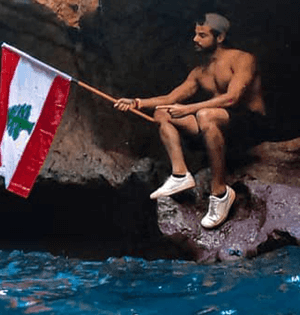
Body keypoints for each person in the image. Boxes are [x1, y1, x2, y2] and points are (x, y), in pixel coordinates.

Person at [114, 13, 268, 228]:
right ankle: (180, 174)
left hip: (249, 124)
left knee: (205, 115)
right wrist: (136, 102)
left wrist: (189, 109)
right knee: (163, 111)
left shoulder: (242, 59)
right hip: (219, 124)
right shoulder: (200, 72)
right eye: (195, 34)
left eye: (202, 35)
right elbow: (170, 98)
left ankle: (220, 192)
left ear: (220, 37)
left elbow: (233, 98)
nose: (195, 39)